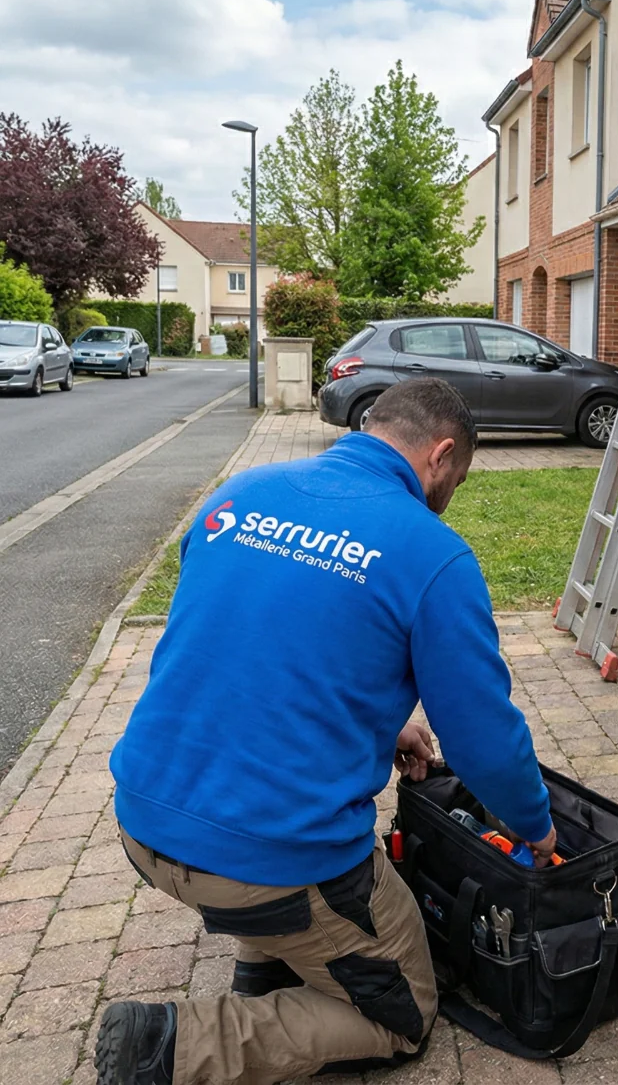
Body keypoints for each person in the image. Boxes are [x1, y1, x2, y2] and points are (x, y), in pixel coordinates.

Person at [95, 379, 556, 1085]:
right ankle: (168, 1044)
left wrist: (385, 722)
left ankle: (270, 958)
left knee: (275, 863)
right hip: (262, 861)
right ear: (441, 455)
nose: (449, 495)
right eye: (455, 479)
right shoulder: (433, 555)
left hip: (141, 821)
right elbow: (482, 738)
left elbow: (255, 641)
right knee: (400, 1013)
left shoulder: (239, 494)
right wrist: (535, 827)